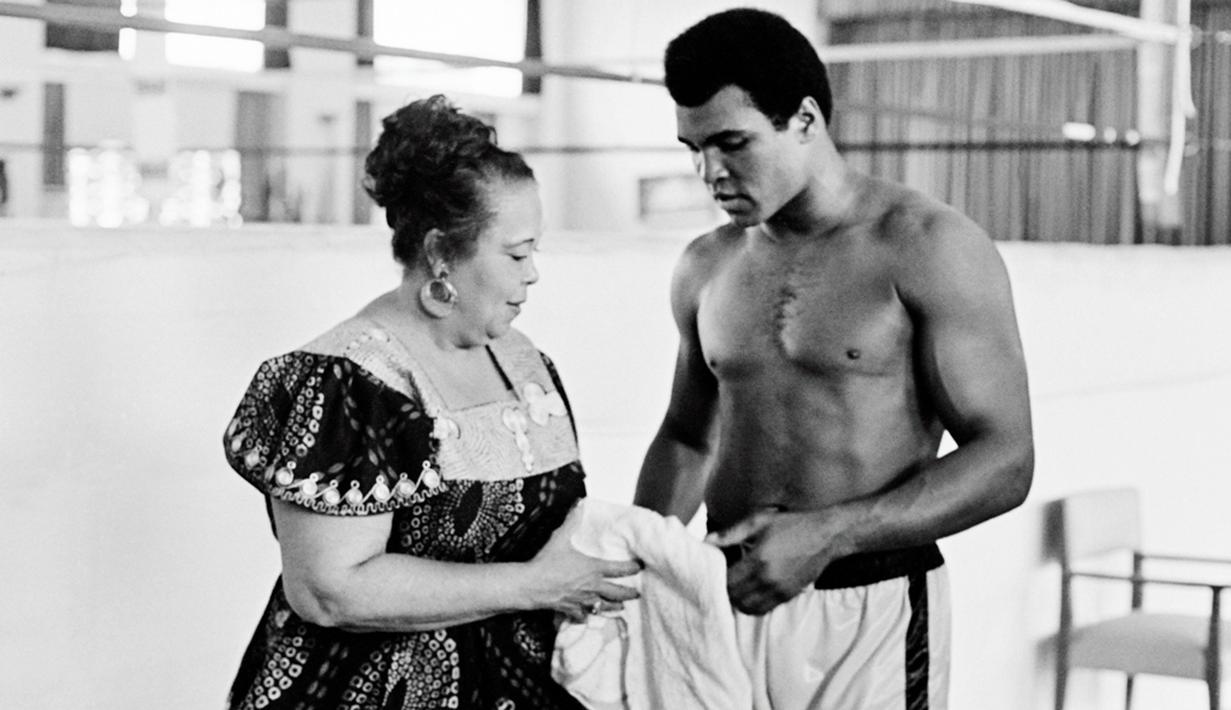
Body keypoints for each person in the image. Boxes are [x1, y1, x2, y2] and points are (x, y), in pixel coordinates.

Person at [633, 9, 1034, 710]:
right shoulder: (705, 265)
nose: (708, 172)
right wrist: (641, 566)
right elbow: (687, 436)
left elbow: (1006, 459)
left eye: (732, 143)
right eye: (691, 148)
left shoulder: (925, 245)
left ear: (806, 119)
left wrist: (827, 533)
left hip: (868, 607)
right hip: (721, 595)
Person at [221, 94, 640, 710]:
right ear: (443, 253)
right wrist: (532, 586)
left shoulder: (527, 364)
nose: (533, 275)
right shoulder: (345, 382)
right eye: (517, 254)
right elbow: (329, 591)